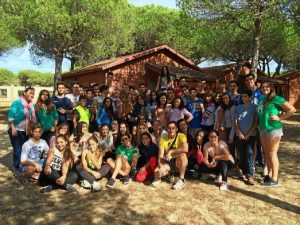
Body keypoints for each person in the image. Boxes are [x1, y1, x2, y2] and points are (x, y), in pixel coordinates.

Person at [256, 81, 296, 186]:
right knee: (266, 153)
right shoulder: (262, 99)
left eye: (267, 86)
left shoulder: (277, 98)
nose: (264, 88)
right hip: (263, 129)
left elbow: (292, 109)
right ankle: (269, 175)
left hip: (273, 129)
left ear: (271, 88)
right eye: (263, 87)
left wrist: (280, 118)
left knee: (272, 153)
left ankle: (275, 178)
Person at [151, 121, 188, 191]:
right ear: (166, 129)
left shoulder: (181, 136)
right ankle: (169, 175)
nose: (171, 130)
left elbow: (185, 149)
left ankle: (181, 179)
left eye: (173, 128)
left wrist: (171, 151)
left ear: (176, 129)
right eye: (169, 128)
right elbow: (160, 156)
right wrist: (161, 167)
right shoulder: (163, 138)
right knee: (157, 173)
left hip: (178, 161)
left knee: (182, 154)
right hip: (169, 161)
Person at [8, 86, 36, 169]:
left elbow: (32, 118)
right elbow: (11, 116)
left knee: (25, 149)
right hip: (16, 130)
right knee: (17, 149)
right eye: (30, 93)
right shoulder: (17, 102)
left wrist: (31, 130)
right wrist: (13, 127)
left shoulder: (31, 105)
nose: (32, 95)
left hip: (26, 131)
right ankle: (17, 167)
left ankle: (22, 165)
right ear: (24, 93)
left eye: (33, 94)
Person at [235, 90, 257, 185]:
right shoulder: (238, 107)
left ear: (250, 97)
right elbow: (236, 121)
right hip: (240, 135)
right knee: (242, 153)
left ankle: (251, 175)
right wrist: (240, 132)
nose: (244, 98)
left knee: (250, 153)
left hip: (250, 135)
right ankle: (244, 172)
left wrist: (248, 134)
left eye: (245, 96)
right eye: (242, 97)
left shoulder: (254, 107)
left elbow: (256, 122)